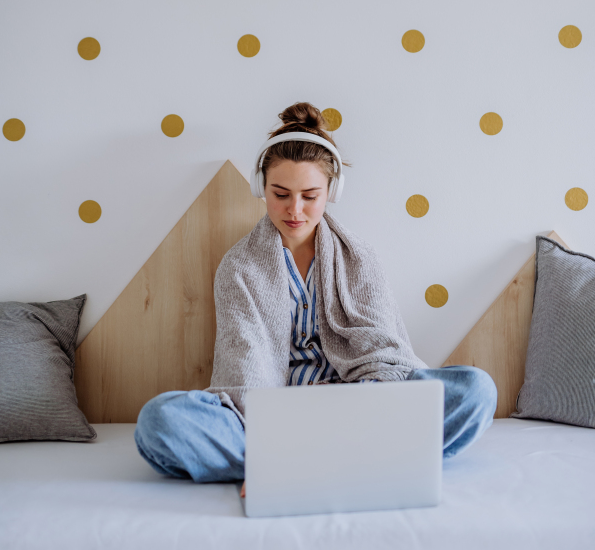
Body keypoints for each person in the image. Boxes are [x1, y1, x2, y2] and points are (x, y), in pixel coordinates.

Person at [134, 102, 498, 497]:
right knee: (160, 420)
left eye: (310, 195)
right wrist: (270, 433)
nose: (295, 210)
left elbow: (384, 354)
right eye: (280, 194)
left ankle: (294, 462)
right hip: (274, 417)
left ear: (332, 192)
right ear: (261, 188)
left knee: (475, 389)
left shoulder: (360, 258)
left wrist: (376, 403)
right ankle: (352, 459)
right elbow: (245, 367)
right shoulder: (238, 267)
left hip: (361, 408)